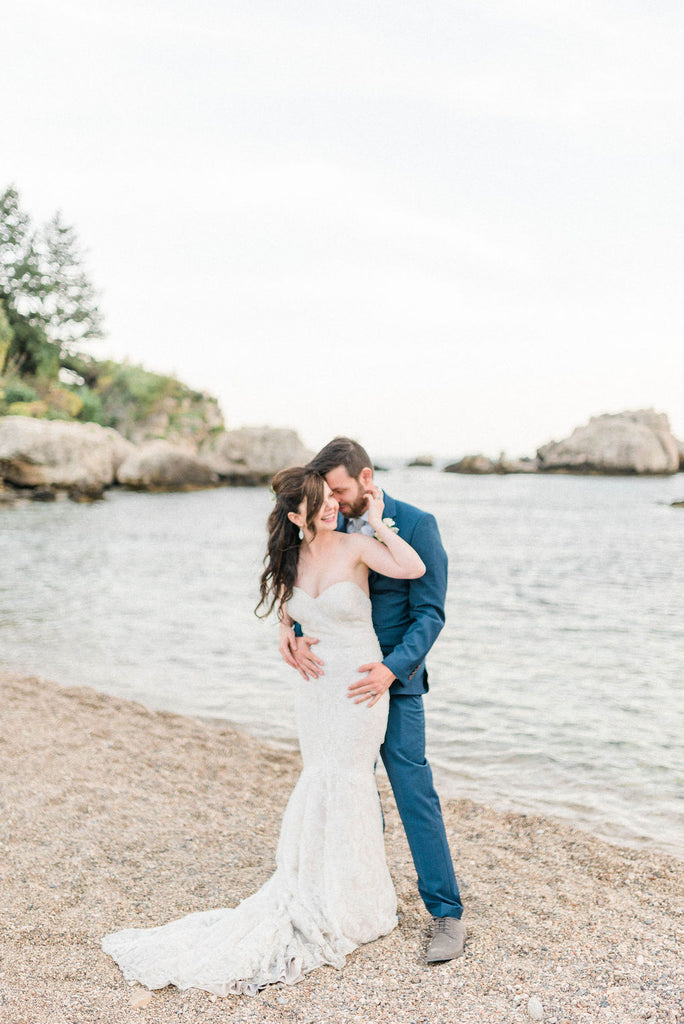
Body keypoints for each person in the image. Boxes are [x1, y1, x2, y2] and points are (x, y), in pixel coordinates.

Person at [102, 465, 425, 997]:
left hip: (359, 685)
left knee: (348, 777)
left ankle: (354, 899)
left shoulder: (356, 545)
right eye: (318, 502)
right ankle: (313, 885)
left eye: (331, 498)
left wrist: (376, 519)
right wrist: (287, 634)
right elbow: (286, 608)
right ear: (295, 516)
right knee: (318, 773)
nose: (330, 506)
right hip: (314, 689)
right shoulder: (289, 557)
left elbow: (412, 568)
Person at [280, 438, 465, 963]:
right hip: (334, 687)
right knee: (350, 790)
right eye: (325, 494)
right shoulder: (327, 524)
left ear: (365, 478)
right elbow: (305, 584)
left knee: (413, 792)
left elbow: (430, 612)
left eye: (338, 490)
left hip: (394, 682)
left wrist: (390, 668)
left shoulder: (417, 523)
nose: (333, 502)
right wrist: (290, 631)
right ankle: (357, 895)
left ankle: (446, 914)